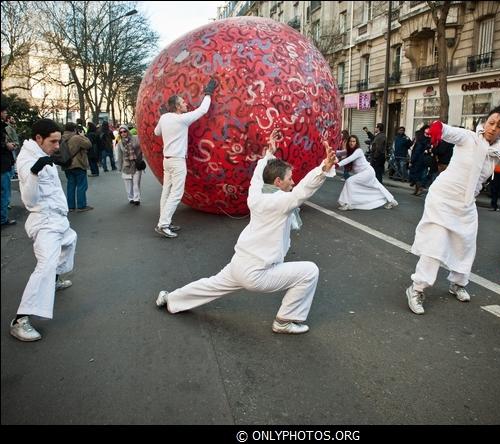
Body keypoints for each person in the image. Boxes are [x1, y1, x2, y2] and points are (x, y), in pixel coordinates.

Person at [155, 129, 338, 334]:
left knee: (209, 286)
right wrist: (323, 168)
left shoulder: (257, 194)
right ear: (278, 182)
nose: (292, 181)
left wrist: (269, 153)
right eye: (289, 178)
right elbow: (302, 191)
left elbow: (257, 177)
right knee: (309, 272)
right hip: (257, 273)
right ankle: (285, 320)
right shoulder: (279, 201)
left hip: (239, 264)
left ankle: (170, 299)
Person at [405, 104, 500, 315]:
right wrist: (438, 128)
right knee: (435, 244)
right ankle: (417, 288)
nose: (493, 128)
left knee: (465, 245)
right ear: (485, 122)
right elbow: (449, 131)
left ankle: (457, 283)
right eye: (491, 123)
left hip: (466, 205)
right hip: (442, 198)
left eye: (499, 125)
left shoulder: (499, 151)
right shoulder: (468, 137)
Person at [10, 119, 78, 341]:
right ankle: (20, 320)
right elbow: (29, 199)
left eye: (59, 141)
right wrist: (35, 172)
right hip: (44, 221)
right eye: (53, 141)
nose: (57, 145)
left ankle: (55, 279)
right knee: (46, 265)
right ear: (39, 139)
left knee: (70, 241)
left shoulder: (43, 154)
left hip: (58, 218)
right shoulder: (27, 160)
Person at [154, 78, 217, 238]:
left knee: (166, 191)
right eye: (182, 102)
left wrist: (164, 117)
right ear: (177, 106)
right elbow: (203, 110)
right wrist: (208, 93)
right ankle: (163, 224)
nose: (186, 104)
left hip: (167, 160)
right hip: (176, 161)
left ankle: (164, 221)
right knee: (176, 193)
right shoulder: (182, 119)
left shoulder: (165, 118)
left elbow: (157, 133)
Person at [336, 135, 398, 211]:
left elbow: (349, 159)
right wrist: (327, 149)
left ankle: (348, 204)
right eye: (350, 141)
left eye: (353, 141)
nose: (352, 143)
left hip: (367, 172)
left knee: (350, 181)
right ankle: (392, 201)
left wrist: (338, 164)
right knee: (378, 186)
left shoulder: (358, 151)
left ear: (356, 142)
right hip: (367, 172)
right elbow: (339, 153)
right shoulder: (349, 151)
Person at [62, 122, 93, 212]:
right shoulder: (77, 138)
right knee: (81, 185)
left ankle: (70, 206)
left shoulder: (62, 138)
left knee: (70, 185)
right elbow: (88, 144)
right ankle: (81, 205)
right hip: (78, 164)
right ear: (74, 129)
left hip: (66, 164)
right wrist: (83, 136)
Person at [116, 125, 143, 205]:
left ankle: (136, 199)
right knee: (128, 184)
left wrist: (140, 158)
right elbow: (120, 156)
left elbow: (142, 147)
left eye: (124, 131)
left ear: (127, 131)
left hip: (136, 164)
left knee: (136, 183)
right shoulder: (120, 143)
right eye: (121, 132)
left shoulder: (136, 138)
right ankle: (130, 198)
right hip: (126, 166)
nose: (123, 133)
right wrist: (119, 167)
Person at [1, 104, 17, 226]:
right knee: (4, 192)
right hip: (3, 163)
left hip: (5, 162)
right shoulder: (3, 127)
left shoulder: (5, 126)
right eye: (5, 112)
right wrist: (7, 145)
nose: (6, 115)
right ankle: (3, 218)